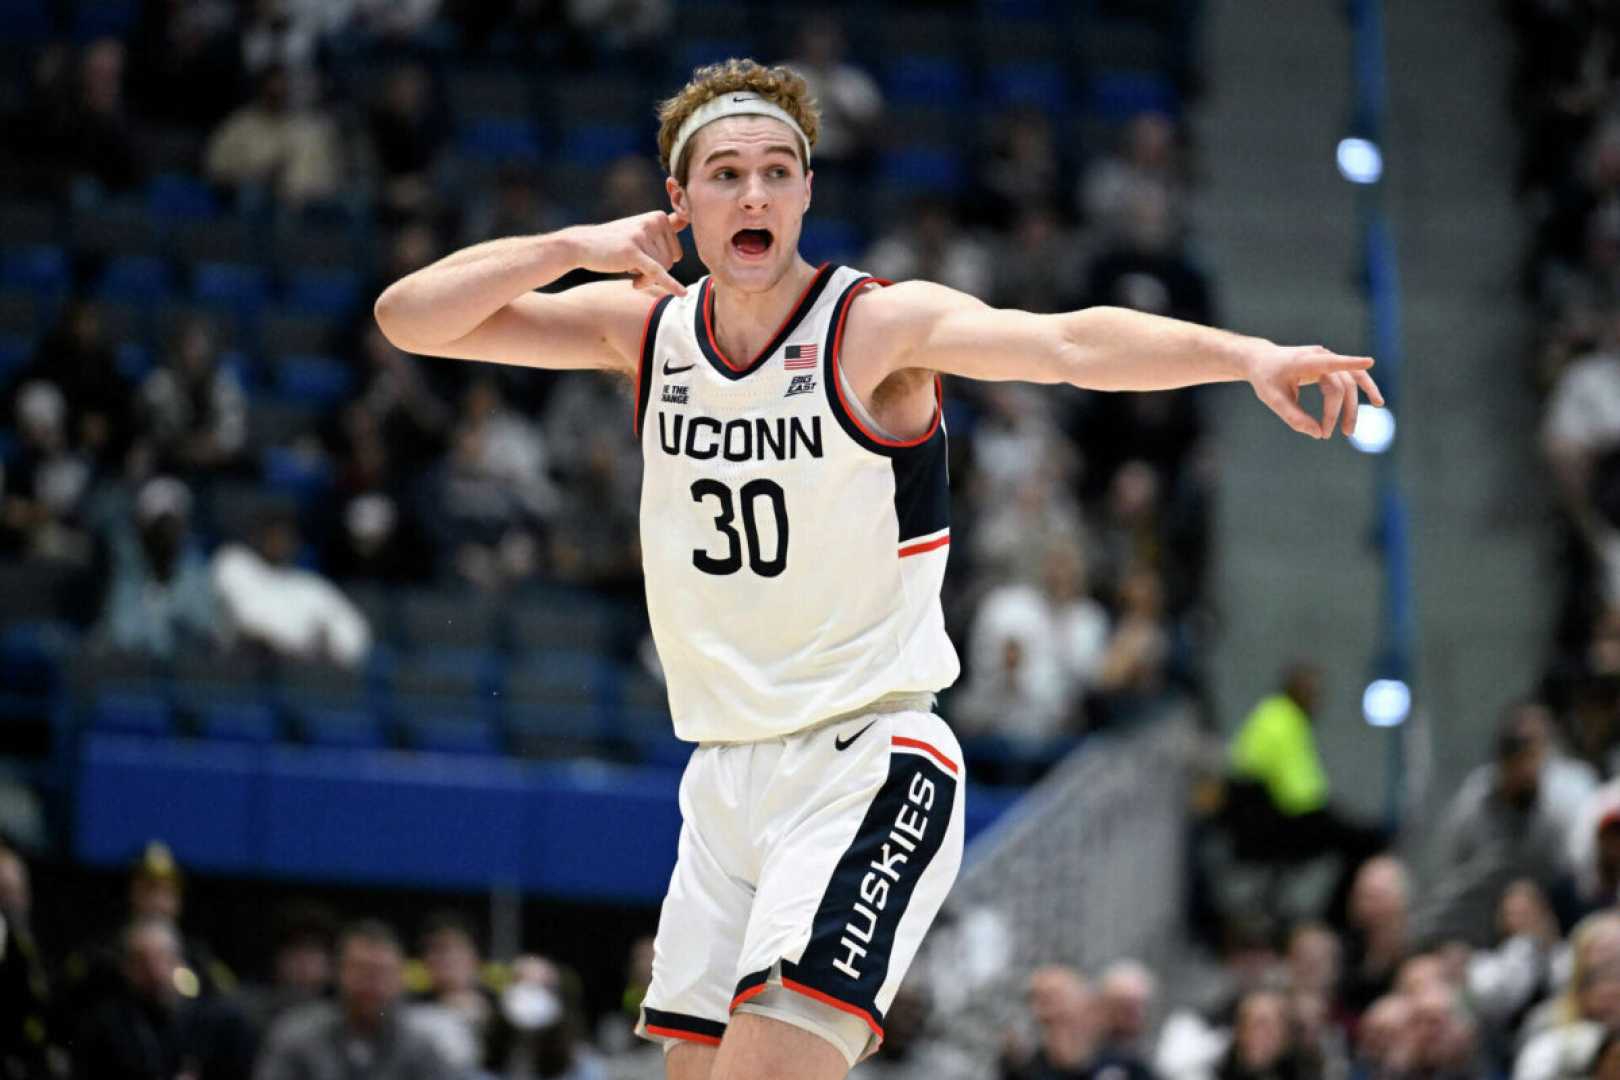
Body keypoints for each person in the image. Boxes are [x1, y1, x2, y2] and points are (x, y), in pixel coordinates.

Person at [373, 58, 1381, 1080]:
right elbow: (410, 318)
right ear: (678, 203)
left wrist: (1248, 355)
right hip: (724, 775)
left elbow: (1069, 345)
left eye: (777, 170)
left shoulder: (872, 331)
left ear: (810, 190)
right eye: (724, 175)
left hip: (864, 759)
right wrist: (569, 247)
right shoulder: (645, 334)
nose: (754, 193)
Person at [255, 919, 460, 1080]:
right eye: (361, 970)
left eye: (382, 972)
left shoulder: (420, 1047)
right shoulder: (296, 1036)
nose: (372, 983)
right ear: (338, 972)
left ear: (400, 979)